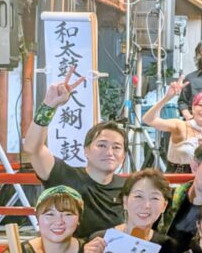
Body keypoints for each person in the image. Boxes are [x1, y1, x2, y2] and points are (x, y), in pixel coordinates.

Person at [23, 68, 127, 238]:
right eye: (101, 145)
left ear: (123, 155)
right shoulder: (65, 176)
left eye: (116, 147)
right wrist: (49, 105)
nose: (109, 152)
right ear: (86, 150)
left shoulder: (128, 188)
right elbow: (32, 148)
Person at [144, 78, 202, 173]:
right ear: (193, 107)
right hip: (177, 177)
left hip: (201, 179)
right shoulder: (180, 126)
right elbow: (148, 119)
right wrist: (167, 98)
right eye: (200, 105)